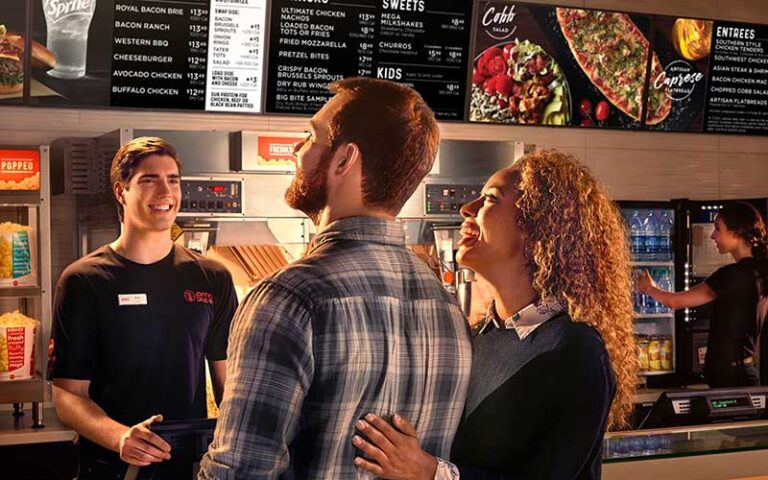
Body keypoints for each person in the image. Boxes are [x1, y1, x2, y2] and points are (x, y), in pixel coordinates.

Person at [199, 78, 472, 479]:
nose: (296, 149)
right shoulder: (447, 306)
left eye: (311, 136)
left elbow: (240, 471)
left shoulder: (288, 297)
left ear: (345, 160)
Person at [352, 149, 637, 479]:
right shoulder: (478, 337)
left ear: (536, 226)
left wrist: (429, 472)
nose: (466, 209)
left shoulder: (576, 349)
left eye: (489, 199)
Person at [47, 137, 238, 479]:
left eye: (173, 180)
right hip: (110, 467)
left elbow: (229, 384)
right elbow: (68, 395)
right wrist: (121, 436)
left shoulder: (212, 277)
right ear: (121, 192)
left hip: (187, 467)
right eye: (149, 180)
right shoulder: (84, 280)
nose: (165, 192)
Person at [638, 201, 768, 387]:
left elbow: (676, 302)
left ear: (737, 232)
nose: (713, 236)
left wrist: (649, 288)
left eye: (717, 229)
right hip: (745, 373)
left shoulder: (731, 275)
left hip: (729, 378)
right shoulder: (761, 272)